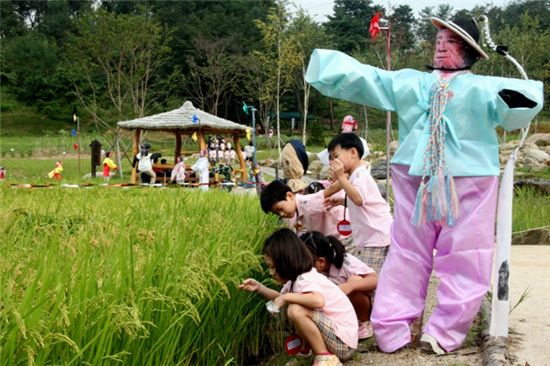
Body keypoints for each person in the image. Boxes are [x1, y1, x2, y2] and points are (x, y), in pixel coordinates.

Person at [305, 17, 543, 354]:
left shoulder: (482, 87)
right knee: (406, 253)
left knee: (467, 253)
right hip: (414, 176)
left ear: (470, 52)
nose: (442, 44)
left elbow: (523, 101)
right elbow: (371, 79)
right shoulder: (411, 83)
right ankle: (392, 327)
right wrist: (328, 66)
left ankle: (444, 331)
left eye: (453, 41)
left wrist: (517, 98)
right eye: (440, 38)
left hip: (469, 177)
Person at [239, 228, 357, 366]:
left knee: (296, 310)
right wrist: (259, 287)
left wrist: (287, 298)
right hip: (337, 339)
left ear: (286, 262)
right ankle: (308, 352)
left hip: (344, 344)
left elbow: (318, 301)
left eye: (272, 267)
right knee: (293, 305)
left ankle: (325, 357)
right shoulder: (295, 281)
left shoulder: (306, 278)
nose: (271, 273)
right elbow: (281, 297)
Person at [324, 133, 392, 274]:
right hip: (373, 237)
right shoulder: (357, 175)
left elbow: (359, 199)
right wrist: (343, 202)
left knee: (368, 280)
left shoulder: (361, 175)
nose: (333, 162)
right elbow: (364, 202)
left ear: (353, 152)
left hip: (375, 239)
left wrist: (341, 177)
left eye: (336, 156)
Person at [300, 231, 378, 340]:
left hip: (360, 305)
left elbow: (375, 280)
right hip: (339, 312)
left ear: (321, 261)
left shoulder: (345, 261)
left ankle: (364, 323)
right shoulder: (313, 273)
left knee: (354, 280)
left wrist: (350, 286)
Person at [260, 179, 349, 242]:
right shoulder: (295, 212)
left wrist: (344, 177)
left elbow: (331, 189)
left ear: (290, 196)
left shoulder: (307, 202)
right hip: (335, 238)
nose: (281, 214)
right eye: (277, 213)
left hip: (346, 236)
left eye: (280, 209)